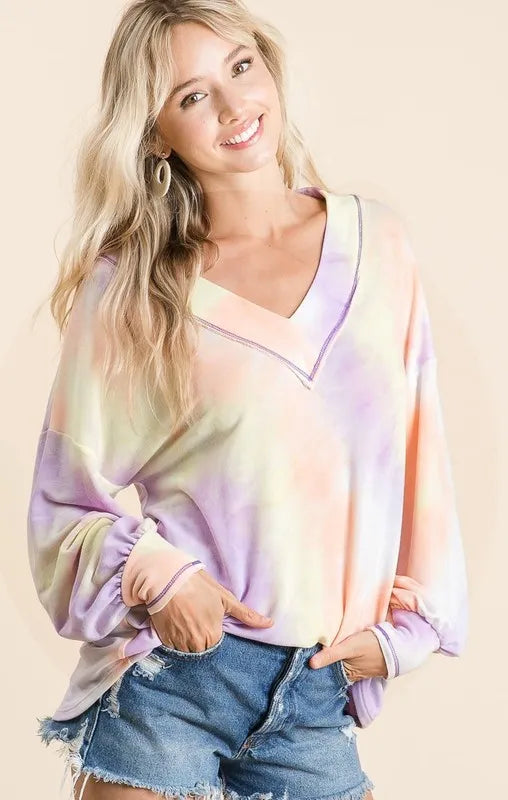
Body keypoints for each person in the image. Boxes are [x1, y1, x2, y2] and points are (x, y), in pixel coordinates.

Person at [27, 1, 469, 799]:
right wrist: (158, 576)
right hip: (172, 682)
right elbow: (62, 507)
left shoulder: (378, 246)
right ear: (156, 133)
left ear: (268, 65)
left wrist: (408, 630)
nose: (234, 106)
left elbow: (419, 453)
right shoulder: (133, 290)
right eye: (193, 95)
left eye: (240, 67)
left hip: (315, 691)